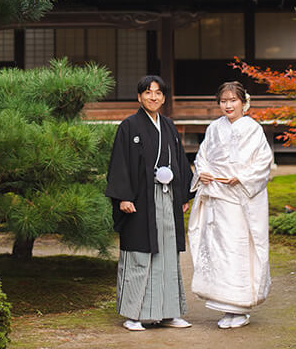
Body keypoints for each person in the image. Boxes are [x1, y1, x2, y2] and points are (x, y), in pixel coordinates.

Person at [105, 75, 195, 331]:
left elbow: (179, 160)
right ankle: (133, 315)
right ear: (139, 97)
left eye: (158, 93)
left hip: (167, 197)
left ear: (164, 98)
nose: (153, 97)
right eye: (148, 92)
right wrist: (123, 196)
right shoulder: (129, 126)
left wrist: (182, 196)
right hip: (140, 199)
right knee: (139, 253)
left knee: (167, 252)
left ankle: (170, 312)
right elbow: (120, 163)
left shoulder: (168, 125)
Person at [188, 80, 275, 329]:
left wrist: (242, 177)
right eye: (223, 101)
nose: (228, 105)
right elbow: (202, 156)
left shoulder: (253, 128)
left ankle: (241, 306)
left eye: (232, 100)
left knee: (238, 248)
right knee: (218, 249)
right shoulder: (214, 128)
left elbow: (263, 162)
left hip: (240, 199)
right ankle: (226, 305)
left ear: (243, 102)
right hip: (217, 196)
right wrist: (202, 172)